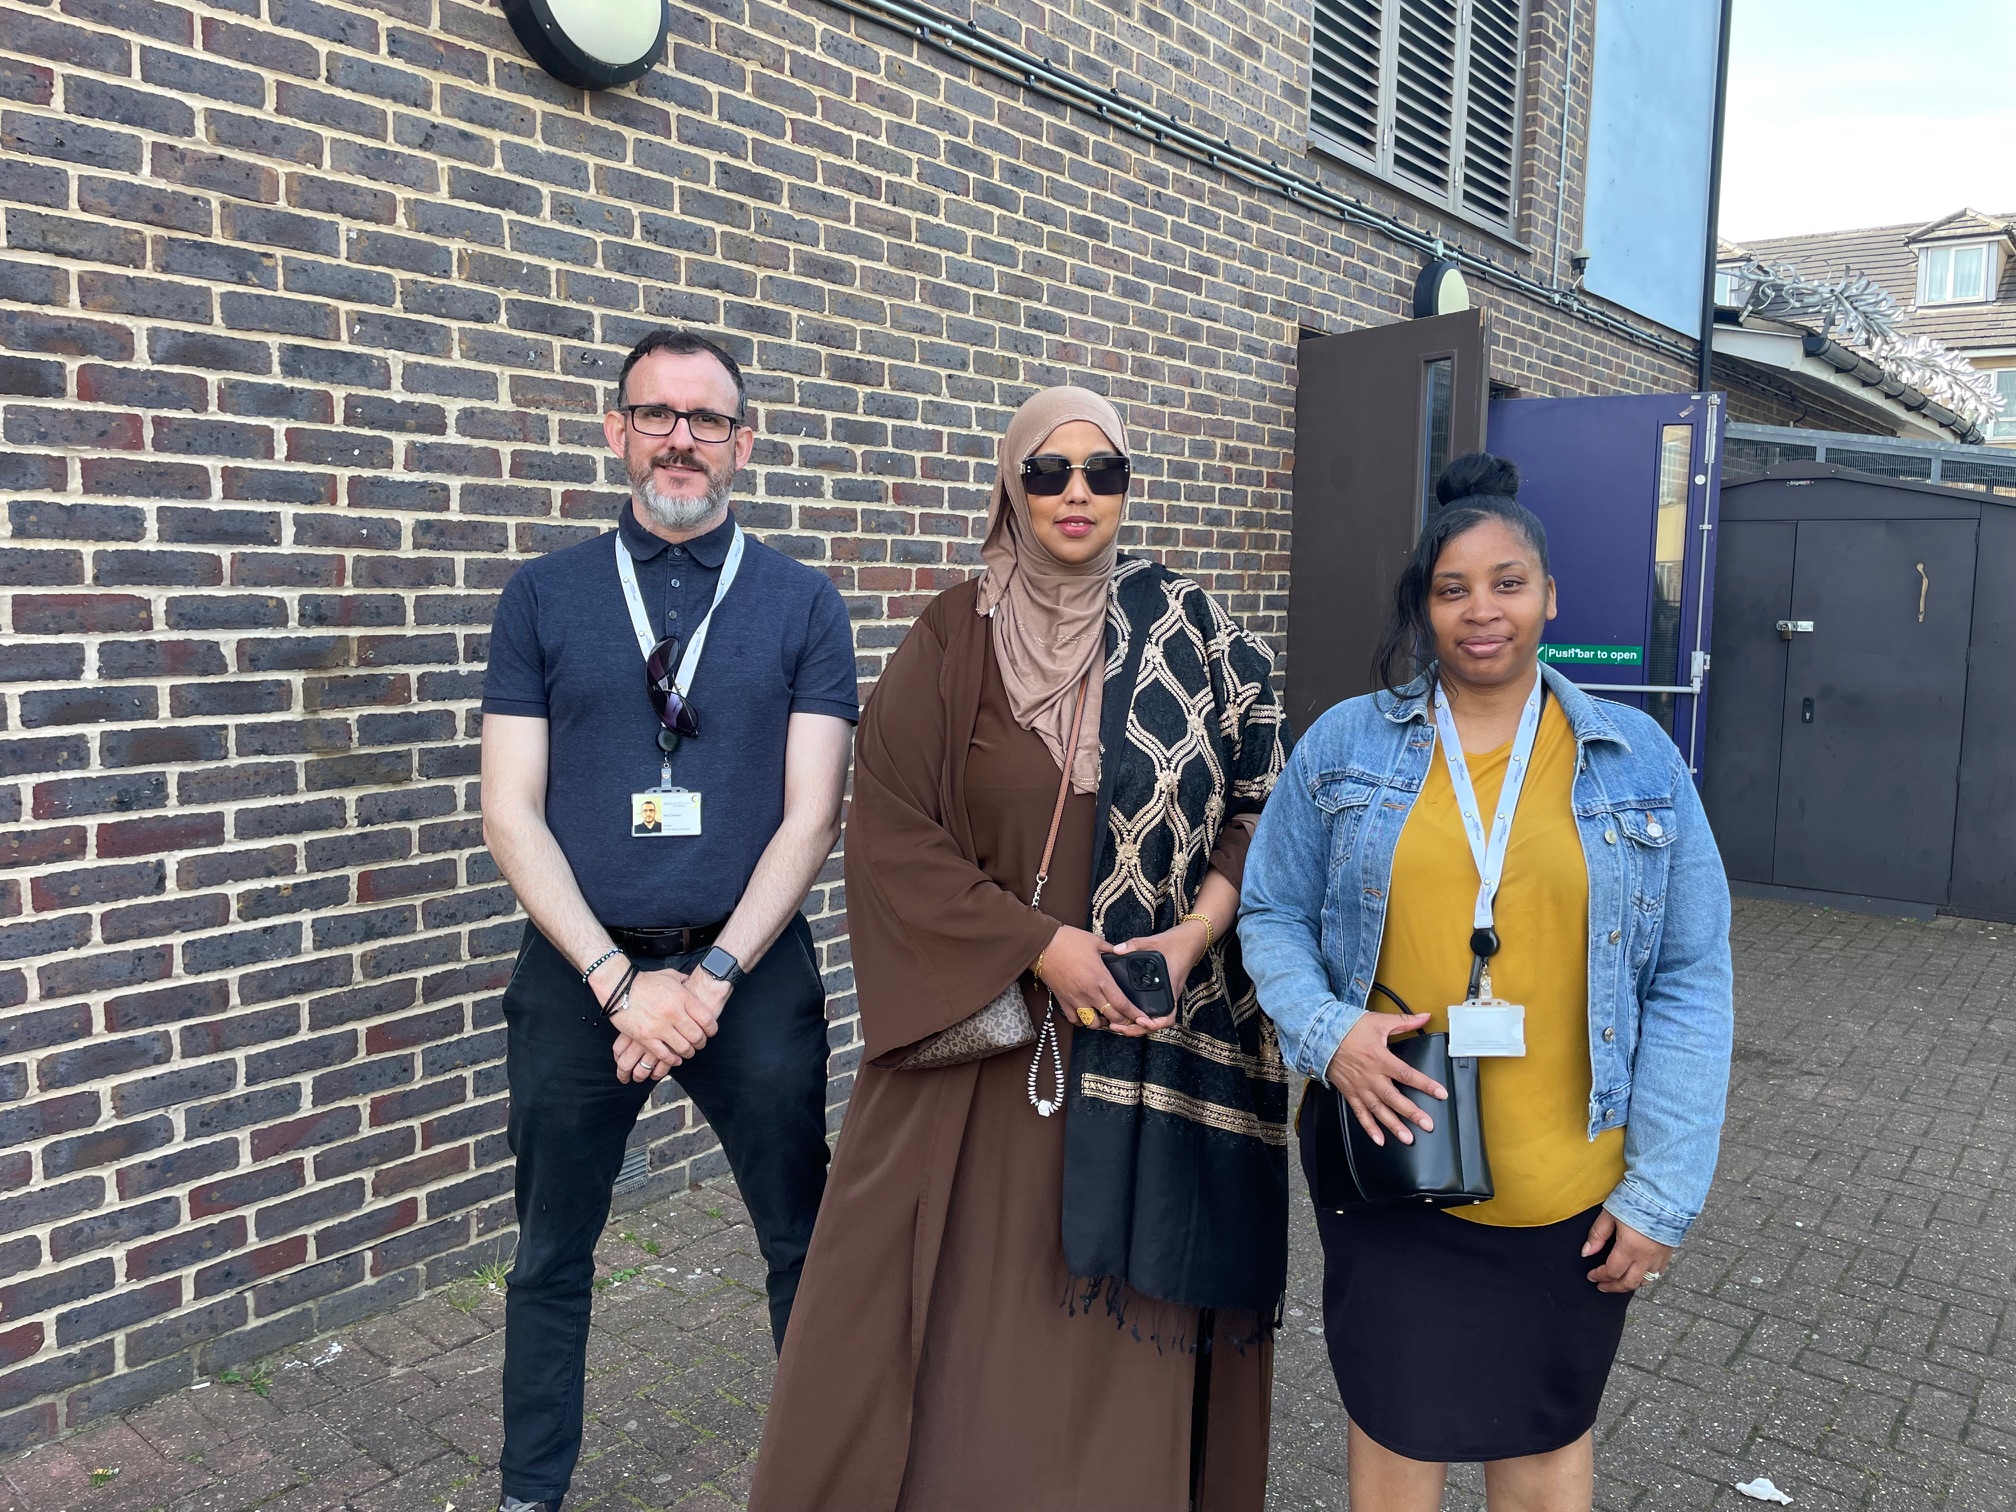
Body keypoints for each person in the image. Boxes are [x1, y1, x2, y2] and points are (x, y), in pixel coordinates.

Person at [750, 386, 1289, 1512]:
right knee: (932, 1324)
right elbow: (890, 829)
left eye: (1103, 470)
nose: (1076, 492)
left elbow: (1263, 807)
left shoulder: (1198, 638)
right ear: (1012, 484)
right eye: (1048, 471)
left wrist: (1193, 934)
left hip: (1142, 1045)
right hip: (984, 1044)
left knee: (1119, 1339)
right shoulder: (955, 635)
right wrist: (1039, 946)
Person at [1239, 454, 1733, 1512]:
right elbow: (1270, 911)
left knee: (1545, 1451)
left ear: (1551, 596)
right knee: (1395, 1438)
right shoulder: (1346, 745)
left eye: (1508, 583)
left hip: (1572, 1192)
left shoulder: (1638, 759)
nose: (1481, 611)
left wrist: (1664, 1191)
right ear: (1425, 607)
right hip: (1395, 1160)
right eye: (1452, 588)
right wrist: (1329, 1034)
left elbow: (1691, 977)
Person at [478, 329, 859, 1512]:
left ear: (745, 441)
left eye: (707, 419)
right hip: (579, 972)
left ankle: (826, 1483)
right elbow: (507, 810)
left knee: (803, 1244)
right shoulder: (543, 595)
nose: (680, 439)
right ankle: (529, 1492)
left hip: (750, 974)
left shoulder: (803, 603)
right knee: (550, 1255)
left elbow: (813, 815)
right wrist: (616, 981)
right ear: (617, 430)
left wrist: (712, 978)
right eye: (656, 413)